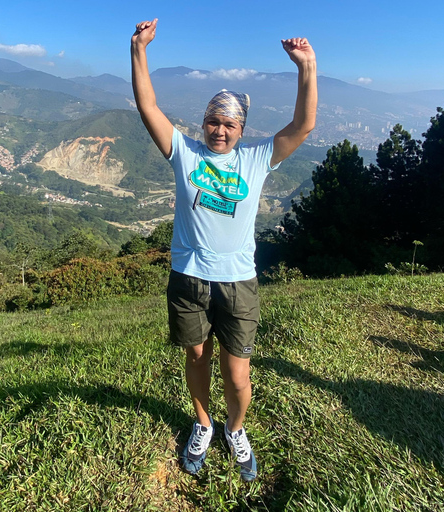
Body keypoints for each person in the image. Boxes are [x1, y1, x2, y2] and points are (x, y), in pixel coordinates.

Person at [130, 18, 317, 482]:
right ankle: (203, 423)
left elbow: (304, 125)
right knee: (196, 358)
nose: (219, 130)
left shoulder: (256, 159)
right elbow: (147, 105)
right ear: (203, 122)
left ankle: (235, 429)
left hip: (238, 283)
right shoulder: (185, 154)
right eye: (213, 121)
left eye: (229, 124)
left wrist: (307, 67)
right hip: (189, 277)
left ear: (241, 128)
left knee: (237, 376)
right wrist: (139, 49)